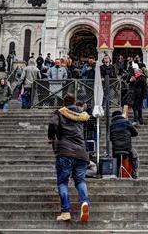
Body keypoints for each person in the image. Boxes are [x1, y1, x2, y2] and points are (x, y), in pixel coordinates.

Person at [47, 94, 91, 223]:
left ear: (64, 103)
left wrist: (52, 136)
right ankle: (84, 203)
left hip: (65, 152)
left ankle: (66, 211)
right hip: (81, 153)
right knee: (80, 180)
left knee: (62, 182)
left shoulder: (60, 112)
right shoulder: (82, 114)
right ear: (75, 102)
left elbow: (52, 125)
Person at [109, 109, 139, 178]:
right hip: (127, 148)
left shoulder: (111, 125)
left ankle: (116, 173)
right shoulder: (126, 122)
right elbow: (136, 133)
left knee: (115, 158)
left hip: (116, 149)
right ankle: (134, 173)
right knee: (135, 157)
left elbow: (110, 138)